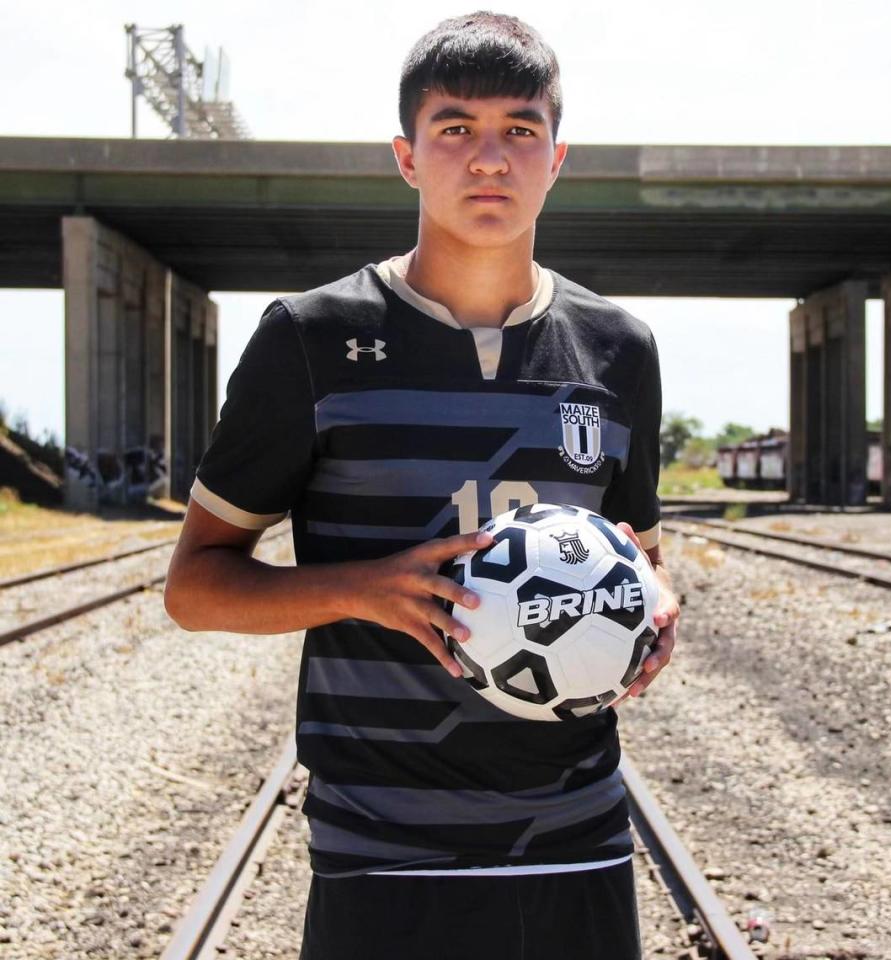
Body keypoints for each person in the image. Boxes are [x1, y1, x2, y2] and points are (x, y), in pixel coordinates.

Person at [164, 10, 680, 959]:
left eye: (520, 131)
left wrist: (654, 610)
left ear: (556, 158)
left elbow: (642, 562)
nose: (490, 158)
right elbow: (195, 587)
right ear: (407, 156)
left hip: (576, 843)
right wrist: (362, 589)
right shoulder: (310, 341)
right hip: (383, 852)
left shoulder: (619, 351)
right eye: (457, 129)